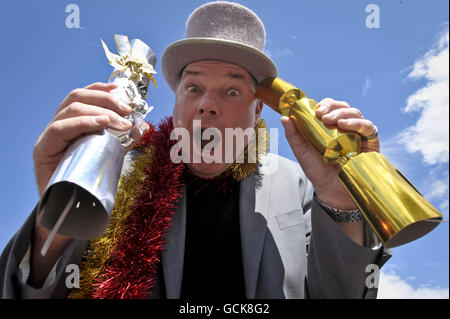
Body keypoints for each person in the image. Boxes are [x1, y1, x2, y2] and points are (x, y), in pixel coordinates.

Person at [0, 1, 391, 299]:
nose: (207, 104)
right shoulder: (114, 174)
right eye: (193, 88)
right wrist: (57, 214)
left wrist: (340, 201)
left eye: (232, 89)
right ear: (175, 103)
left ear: (257, 111)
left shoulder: (296, 183)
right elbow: (33, 290)